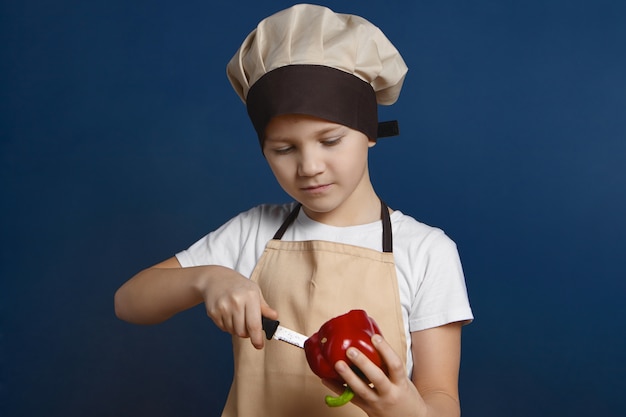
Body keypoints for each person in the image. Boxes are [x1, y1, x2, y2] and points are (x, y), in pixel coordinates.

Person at [114, 4, 473, 417]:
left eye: (330, 140)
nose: (309, 166)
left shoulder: (427, 251)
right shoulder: (252, 231)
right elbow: (128, 301)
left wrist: (404, 409)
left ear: (370, 132)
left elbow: (442, 398)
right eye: (284, 149)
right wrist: (206, 279)